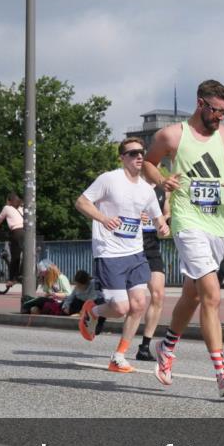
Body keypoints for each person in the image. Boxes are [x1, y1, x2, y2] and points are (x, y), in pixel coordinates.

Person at [142, 79, 224, 397]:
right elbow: (149, 165)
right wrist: (163, 180)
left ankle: (166, 347)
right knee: (211, 294)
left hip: (217, 224)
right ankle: (222, 373)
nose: (220, 116)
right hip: (187, 222)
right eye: (216, 110)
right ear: (200, 104)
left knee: (192, 295)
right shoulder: (171, 135)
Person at [75, 137, 169, 372]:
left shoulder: (146, 189)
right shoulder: (109, 179)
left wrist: (162, 227)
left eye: (141, 152)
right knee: (119, 308)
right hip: (109, 252)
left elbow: (157, 217)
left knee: (138, 304)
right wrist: (103, 219)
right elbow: (81, 202)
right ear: (122, 158)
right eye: (133, 153)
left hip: (136, 253)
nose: (139, 156)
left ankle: (118, 356)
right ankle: (93, 310)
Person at [135, 182, 170, 361]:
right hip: (129, 245)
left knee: (158, 295)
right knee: (126, 301)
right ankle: (100, 311)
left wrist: (164, 224)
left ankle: (144, 347)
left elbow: (166, 213)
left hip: (151, 245)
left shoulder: (163, 190)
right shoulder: (131, 184)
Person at [0, 192, 24, 288]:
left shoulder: (6, 208)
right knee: (26, 254)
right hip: (26, 232)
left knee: (15, 257)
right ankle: (23, 273)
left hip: (16, 233)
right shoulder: (21, 208)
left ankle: (12, 279)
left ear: (9, 201)